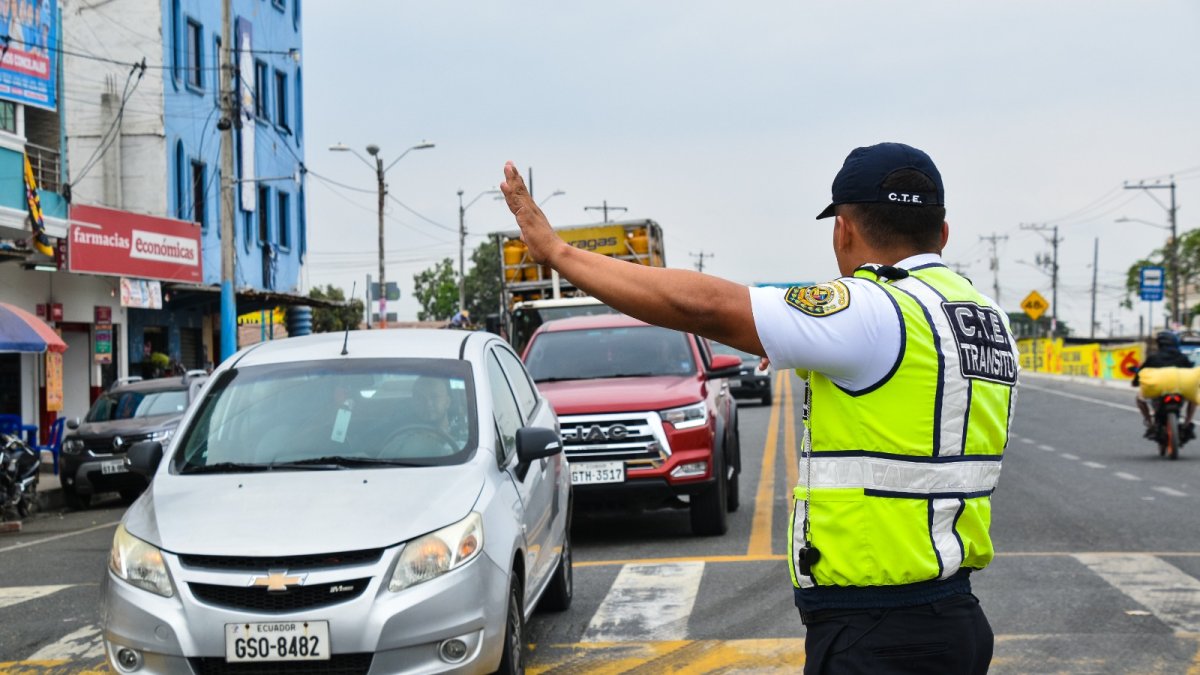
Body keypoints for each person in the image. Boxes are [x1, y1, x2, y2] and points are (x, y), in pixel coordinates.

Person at [500, 142, 1016, 674]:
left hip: (879, 633)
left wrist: (559, 253)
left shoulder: (874, 309)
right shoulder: (985, 320)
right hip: (955, 616)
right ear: (943, 233)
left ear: (843, 230)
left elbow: (704, 306)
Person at [1133, 330, 1197, 437]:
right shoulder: (1182, 357)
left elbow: (1141, 373)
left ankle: (1150, 422)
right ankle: (1187, 422)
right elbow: (1191, 373)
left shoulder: (1153, 358)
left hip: (1159, 390)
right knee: (1194, 399)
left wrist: (1135, 382)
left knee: (1139, 399)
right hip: (1179, 389)